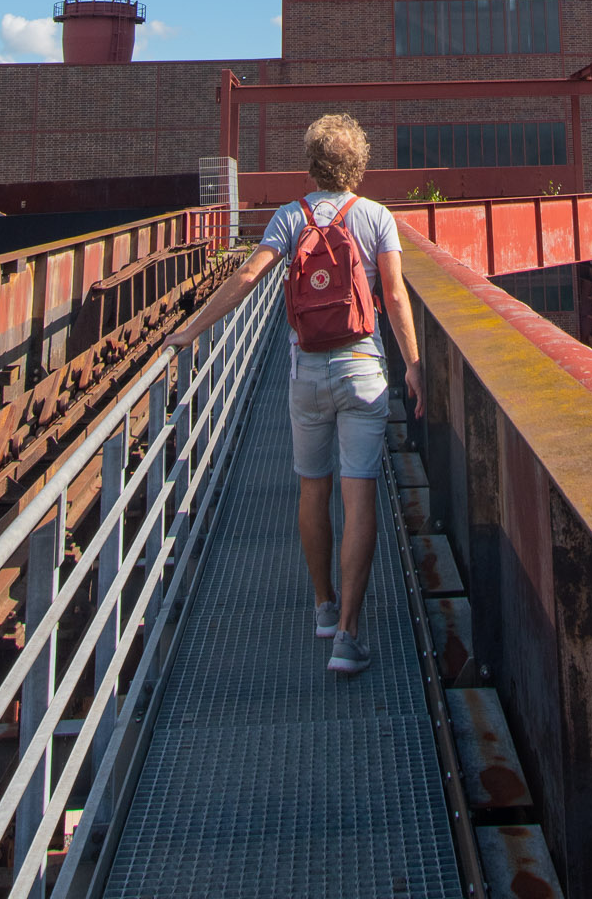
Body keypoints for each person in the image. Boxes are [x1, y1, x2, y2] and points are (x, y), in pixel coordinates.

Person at [166, 113, 424, 677]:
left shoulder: (289, 217)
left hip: (305, 371)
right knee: (359, 494)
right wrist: (414, 365)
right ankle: (349, 639)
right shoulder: (376, 217)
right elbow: (397, 298)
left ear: (311, 164)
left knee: (313, 489)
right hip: (363, 368)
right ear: (359, 163)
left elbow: (247, 279)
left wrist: (191, 330)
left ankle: (324, 607)